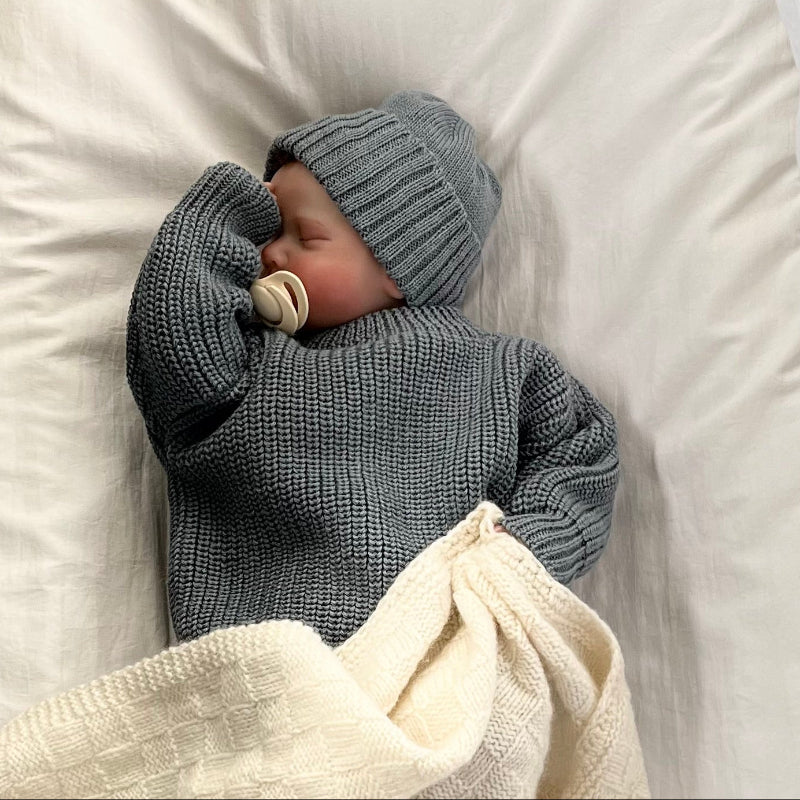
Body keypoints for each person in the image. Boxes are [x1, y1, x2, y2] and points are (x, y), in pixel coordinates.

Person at [126, 90, 619, 647]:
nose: (268, 252)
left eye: (302, 235)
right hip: (274, 646)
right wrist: (232, 207)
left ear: (397, 268)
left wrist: (519, 550)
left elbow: (584, 457)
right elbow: (175, 337)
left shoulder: (504, 369)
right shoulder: (256, 360)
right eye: (269, 231)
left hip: (437, 644)